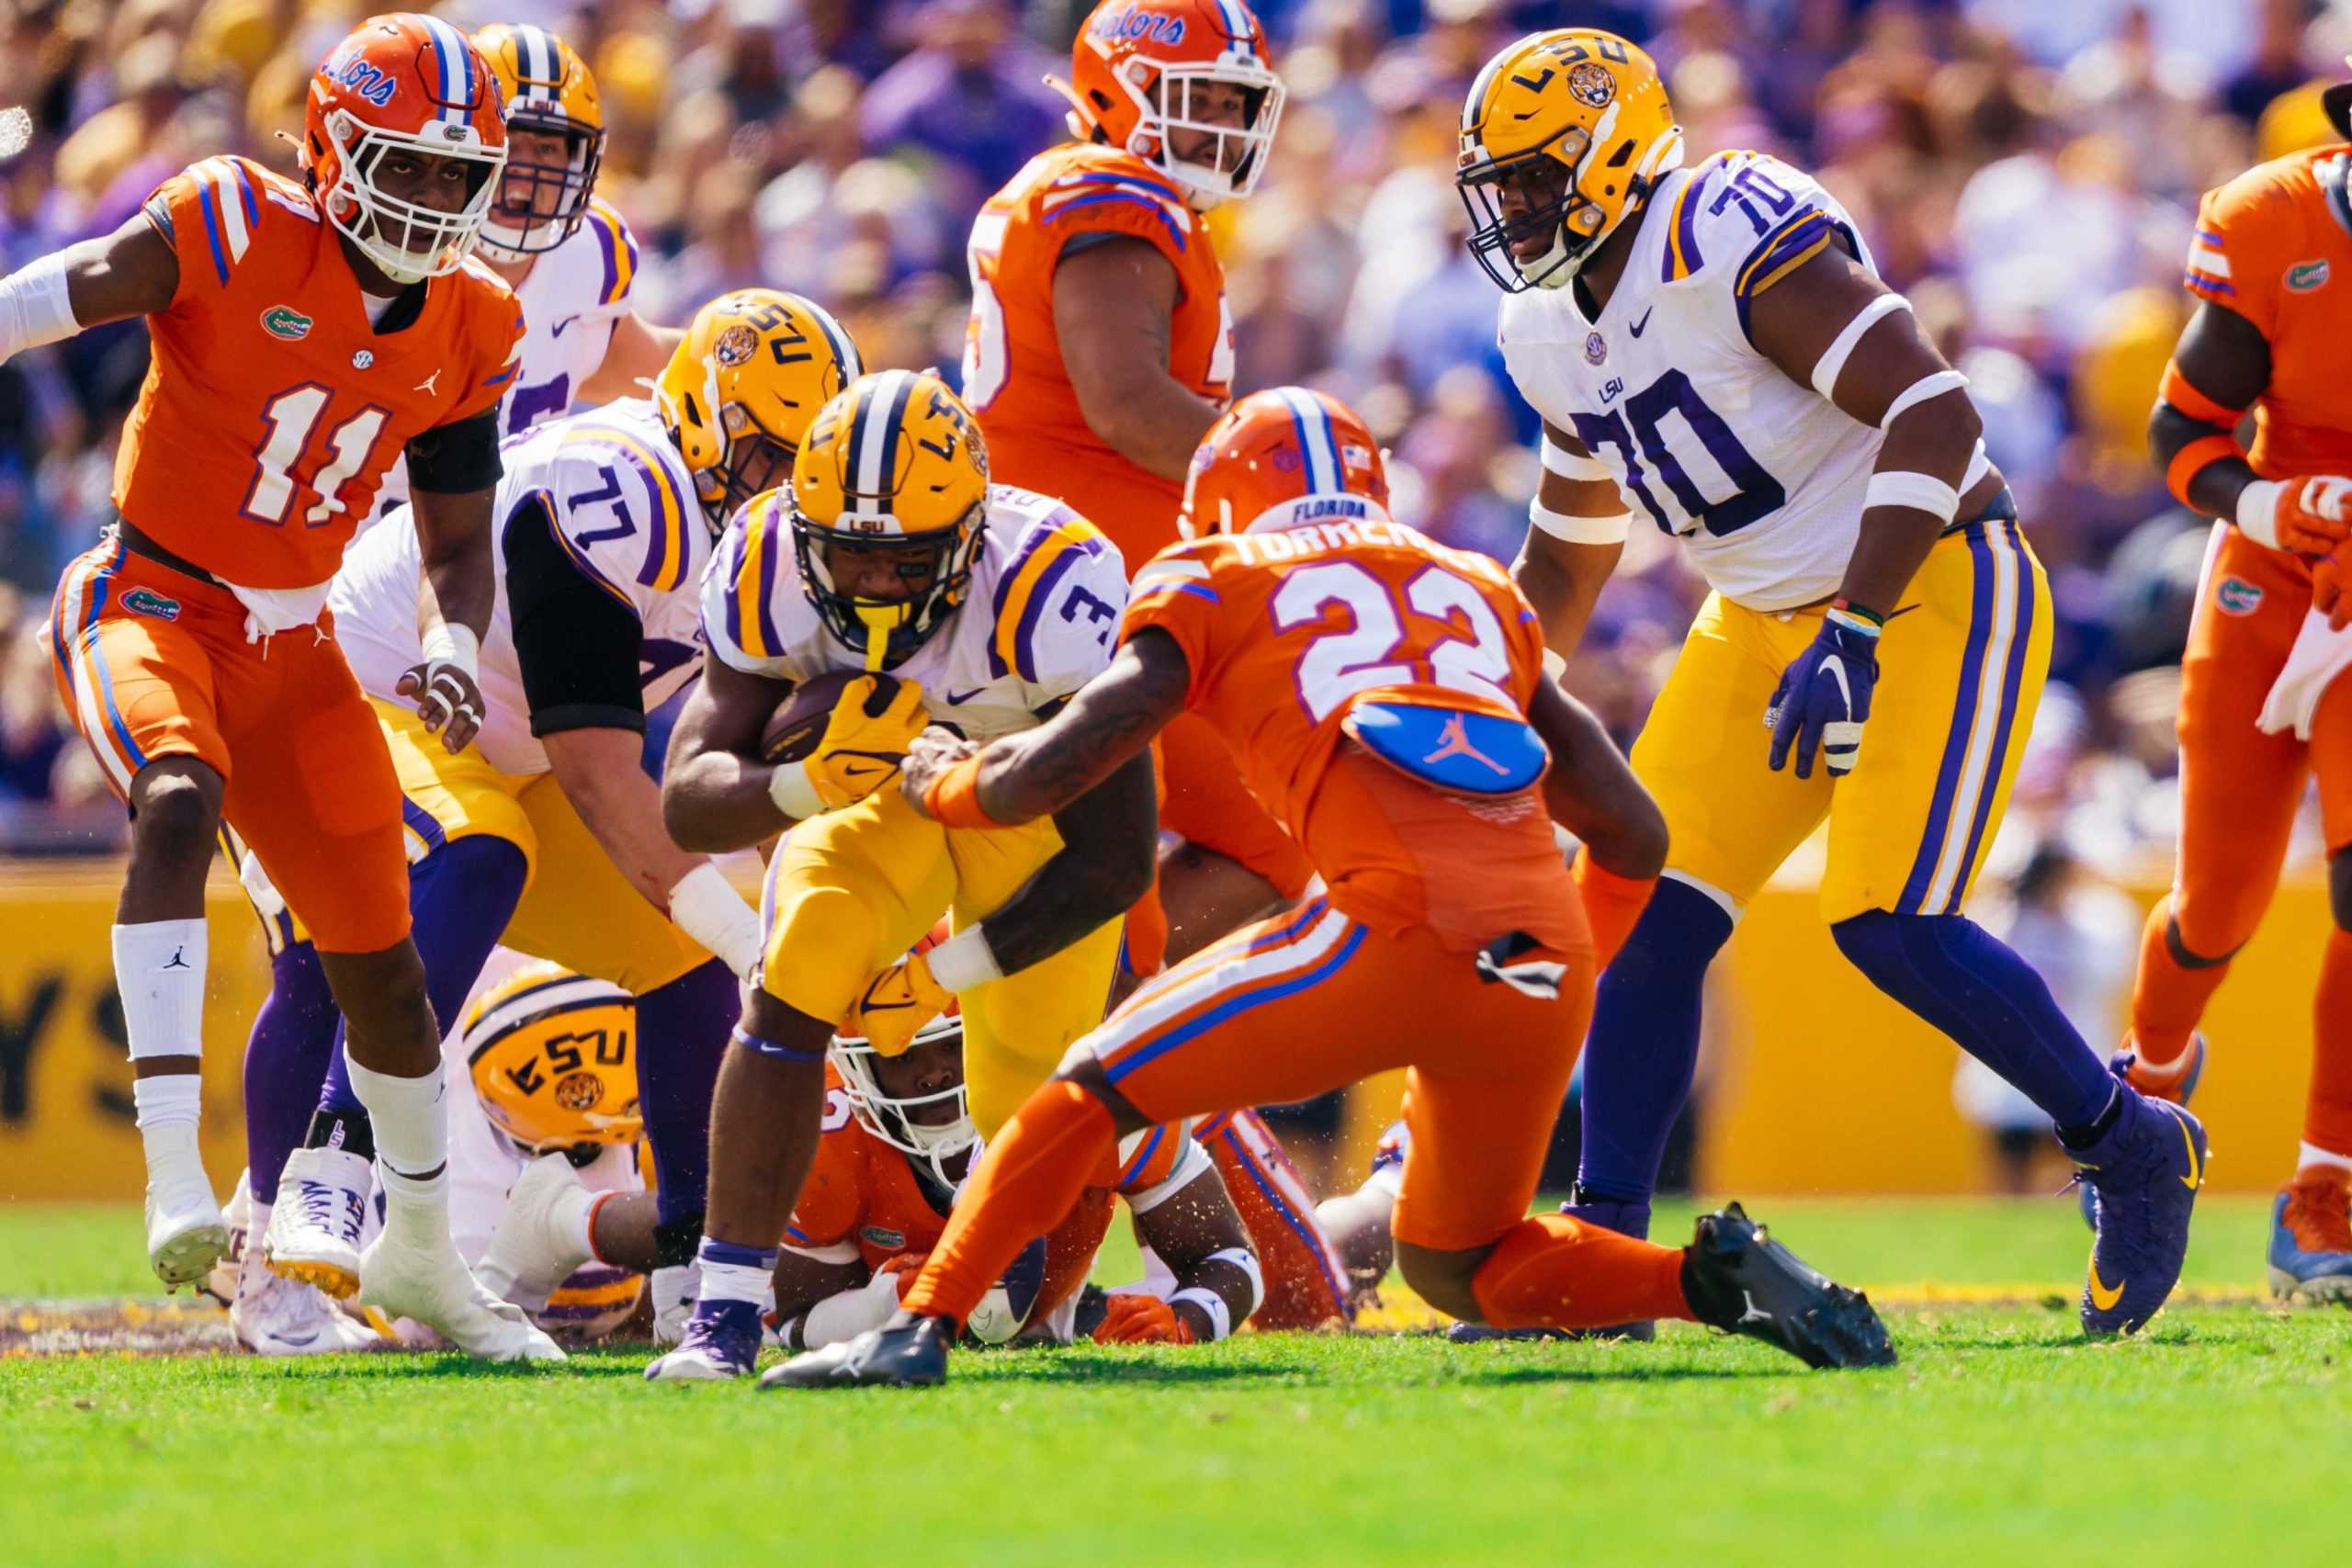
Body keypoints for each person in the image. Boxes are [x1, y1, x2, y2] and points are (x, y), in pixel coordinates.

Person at [765, 387, 1895, 1390]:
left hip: (1385, 920)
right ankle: (1708, 1287)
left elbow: (1057, 768)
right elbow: (1634, 834)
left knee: (1084, 1087)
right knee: (1462, 1263)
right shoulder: (1473, 587)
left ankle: (916, 1330)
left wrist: (950, 783)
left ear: (1215, 503)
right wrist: (1571, 964)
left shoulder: (1214, 573)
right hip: (1537, 943)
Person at [1459, 28, 2204, 1337]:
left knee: (1886, 917)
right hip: (1756, 615)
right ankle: (1604, 1259)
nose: (1512, 208)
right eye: (1500, 184)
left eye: (1533, 178)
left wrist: (1855, 626)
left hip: (1928, 580)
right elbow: (1573, 539)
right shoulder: (1542, 321)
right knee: (1635, 917)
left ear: (1614, 153)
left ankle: (2126, 1134)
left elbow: (1935, 409)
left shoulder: (1721, 228)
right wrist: (1494, 690)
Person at [29, 14, 556, 1359]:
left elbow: (453, 536)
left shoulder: (476, 317)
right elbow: (74, 284)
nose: (435, 199)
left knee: (381, 975)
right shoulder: (231, 221)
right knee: (172, 796)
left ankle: (425, 1259)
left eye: (457, 174)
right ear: (330, 145)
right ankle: (173, 1182)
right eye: (411, 166)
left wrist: (449, 641)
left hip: (297, 643)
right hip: (151, 595)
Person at [246, 290, 854, 1354]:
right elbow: (599, 771)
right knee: (479, 857)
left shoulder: (766, 549)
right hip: (353, 690)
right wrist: (759, 940)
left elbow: (718, 762)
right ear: (704, 419)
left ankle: (692, 1257)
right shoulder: (617, 489)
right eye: (768, 459)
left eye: (808, 475)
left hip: (504, 745)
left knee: (678, 961)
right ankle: (334, 1163)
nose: (783, 497)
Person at [221, 17, 690, 1349]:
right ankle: (277, 1249)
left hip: (480, 640)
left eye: (558, 156)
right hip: (327, 621)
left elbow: (625, 357)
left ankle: (424, 1226)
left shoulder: (584, 263)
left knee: (393, 934)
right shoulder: (367, 262)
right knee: (326, 946)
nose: (531, 187)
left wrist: (742, 392)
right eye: (509, 154)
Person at [644, 369, 1159, 1381]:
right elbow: (690, 796)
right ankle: (725, 1314)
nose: (874, 585)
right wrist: (800, 785)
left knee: (1031, 1094)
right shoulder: (764, 561)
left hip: (1033, 819)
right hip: (877, 799)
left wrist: (945, 974)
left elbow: (1114, 861)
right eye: (848, 556)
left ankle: (1062, 1285)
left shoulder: (1055, 587)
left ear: (970, 538)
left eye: (906, 559)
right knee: (795, 970)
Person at [964, 0, 1310, 973]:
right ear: (1119, 90)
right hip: (1070, 595)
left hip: (1111, 590)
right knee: (1125, 884)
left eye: (1239, 106)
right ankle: (1066, 1082)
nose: (1224, 130)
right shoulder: (1112, 193)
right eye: (1200, 100)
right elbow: (1126, 404)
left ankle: (1102, 1049)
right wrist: (1296, 481)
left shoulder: (1119, 196)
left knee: (1271, 839)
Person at [2139, 75, 2352, 1302]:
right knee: (2219, 901)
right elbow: (2185, 434)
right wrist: (2273, 503)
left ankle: (2323, 1187)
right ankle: (2148, 1090)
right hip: (2269, 578)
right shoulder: (2273, 221)